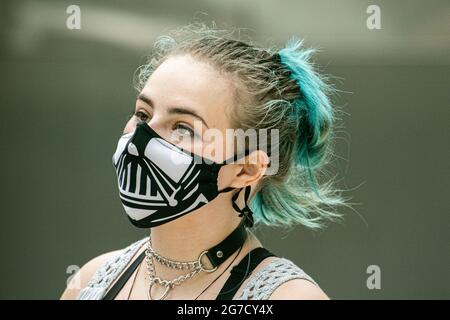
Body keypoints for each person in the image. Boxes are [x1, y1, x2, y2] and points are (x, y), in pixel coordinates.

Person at [61, 23, 347, 300]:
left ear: (246, 169)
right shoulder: (91, 280)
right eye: (143, 114)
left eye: (183, 128)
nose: (139, 140)